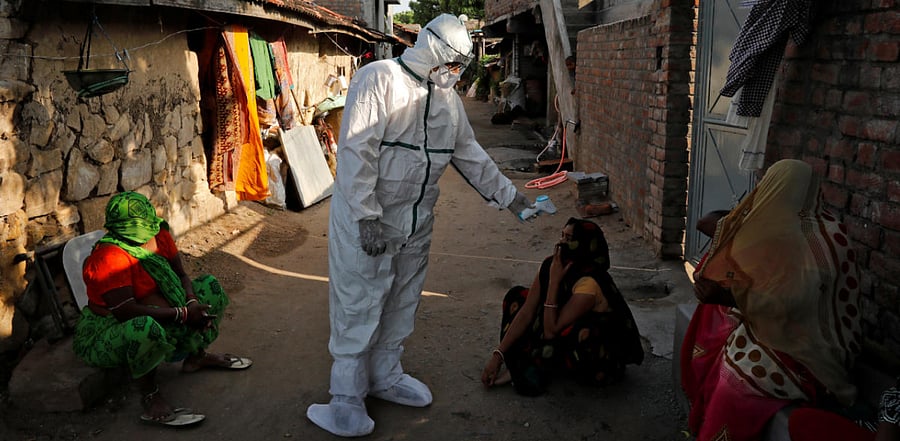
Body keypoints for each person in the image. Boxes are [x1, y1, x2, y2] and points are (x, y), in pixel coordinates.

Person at [305, 13, 533, 437]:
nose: (455, 73)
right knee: (360, 301)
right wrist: (367, 217)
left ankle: (385, 375)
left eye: (460, 66)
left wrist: (511, 197)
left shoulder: (447, 102)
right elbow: (357, 152)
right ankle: (346, 398)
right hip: (369, 221)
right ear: (430, 49)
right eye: (451, 63)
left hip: (416, 223)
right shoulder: (379, 79)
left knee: (402, 299)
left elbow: (469, 153)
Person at [681, 159, 863, 441]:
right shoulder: (776, 228)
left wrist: (731, 297)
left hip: (812, 347)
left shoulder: (826, 239)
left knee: (738, 378)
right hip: (775, 325)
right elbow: (708, 223)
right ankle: (700, 406)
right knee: (717, 317)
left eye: (770, 186)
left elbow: (792, 308)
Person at [72, 191, 252, 427]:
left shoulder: (159, 233)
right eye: (138, 228)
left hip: (169, 310)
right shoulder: (109, 257)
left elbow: (181, 275)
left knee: (209, 287)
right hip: (112, 327)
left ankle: (195, 357)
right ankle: (150, 395)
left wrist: (191, 302)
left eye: (148, 225)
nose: (148, 234)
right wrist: (183, 315)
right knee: (143, 328)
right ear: (119, 228)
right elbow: (126, 312)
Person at [480, 218, 643, 396]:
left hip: (596, 347)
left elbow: (551, 330)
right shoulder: (553, 264)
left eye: (569, 239)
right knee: (517, 297)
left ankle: (530, 367)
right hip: (560, 321)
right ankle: (526, 360)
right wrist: (498, 355)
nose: (561, 243)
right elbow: (527, 311)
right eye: (562, 236)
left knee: (570, 333)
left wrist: (554, 281)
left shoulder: (589, 283)